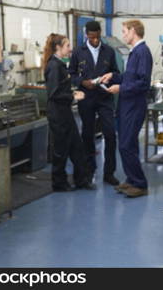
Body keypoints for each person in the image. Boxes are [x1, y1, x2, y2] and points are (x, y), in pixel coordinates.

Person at [100, 20, 153, 198]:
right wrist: (114, 76)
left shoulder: (142, 52)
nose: (123, 35)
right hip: (126, 105)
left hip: (134, 106)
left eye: (124, 31)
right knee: (125, 145)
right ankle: (131, 180)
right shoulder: (134, 52)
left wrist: (121, 88)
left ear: (133, 31)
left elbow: (143, 83)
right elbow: (130, 77)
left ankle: (140, 183)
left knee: (126, 145)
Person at [69, 21, 120, 186]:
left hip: (105, 98)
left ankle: (109, 173)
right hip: (87, 98)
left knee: (110, 135)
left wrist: (110, 76)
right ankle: (89, 171)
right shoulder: (78, 52)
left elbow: (116, 72)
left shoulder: (109, 51)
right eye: (92, 37)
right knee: (87, 135)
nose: (96, 40)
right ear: (86, 35)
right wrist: (83, 82)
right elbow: (72, 73)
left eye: (98, 37)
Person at [43, 33, 94, 192]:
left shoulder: (61, 64)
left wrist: (71, 93)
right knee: (60, 150)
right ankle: (59, 183)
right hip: (58, 115)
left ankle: (81, 180)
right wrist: (73, 96)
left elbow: (60, 88)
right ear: (58, 47)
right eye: (67, 46)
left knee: (76, 147)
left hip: (65, 113)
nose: (70, 49)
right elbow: (54, 93)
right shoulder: (54, 66)